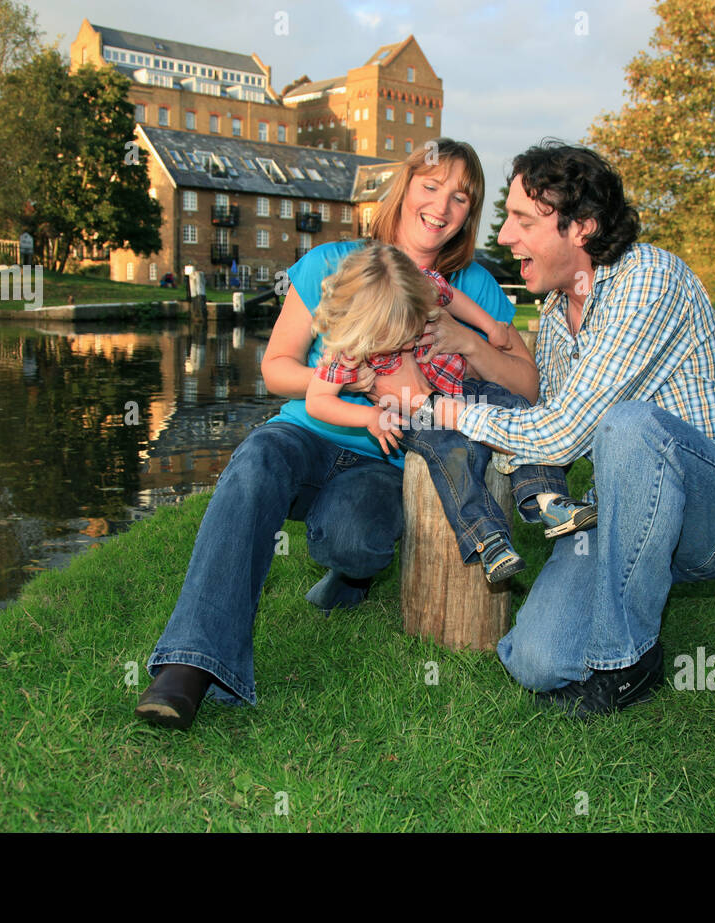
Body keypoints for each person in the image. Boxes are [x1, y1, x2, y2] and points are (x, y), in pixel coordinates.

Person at [134, 138, 538, 729]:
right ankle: (191, 664)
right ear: (404, 190)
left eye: (461, 197)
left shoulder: (470, 285)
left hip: (387, 455)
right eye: (431, 186)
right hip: (308, 431)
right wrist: (362, 387)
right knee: (256, 465)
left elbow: (527, 387)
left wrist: (468, 341)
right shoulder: (333, 262)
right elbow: (276, 369)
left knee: (358, 539)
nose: (443, 206)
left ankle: (350, 574)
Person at [383, 141, 715, 718]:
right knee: (536, 662)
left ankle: (627, 663)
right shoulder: (552, 315)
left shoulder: (650, 278)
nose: (504, 237)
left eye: (523, 220)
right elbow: (532, 421)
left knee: (627, 426)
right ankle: (628, 606)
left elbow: (563, 432)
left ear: (582, 228)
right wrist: (468, 362)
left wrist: (439, 411)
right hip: (629, 512)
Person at [305, 241, 598, 583]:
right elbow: (317, 401)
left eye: (413, 329)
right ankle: (486, 538)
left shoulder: (419, 286)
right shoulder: (349, 348)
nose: (408, 344)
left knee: (515, 409)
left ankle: (546, 498)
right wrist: (369, 417)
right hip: (416, 412)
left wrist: (490, 327)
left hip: (461, 389)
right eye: (396, 339)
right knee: (454, 450)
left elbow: (454, 299)